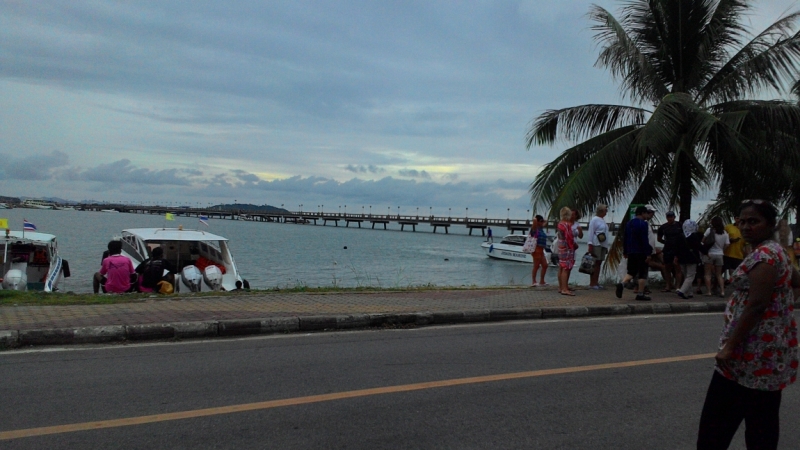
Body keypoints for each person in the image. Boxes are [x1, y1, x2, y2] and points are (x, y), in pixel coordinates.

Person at [697, 200, 799, 449]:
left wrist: (729, 347)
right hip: (769, 357)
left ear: (770, 224)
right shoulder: (776, 252)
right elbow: (796, 280)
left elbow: (756, 305)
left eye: (754, 221)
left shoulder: (765, 256)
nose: (745, 227)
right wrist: (783, 309)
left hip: (746, 357)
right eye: (742, 221)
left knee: (714, 430)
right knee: (761, 425)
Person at [616, 205, 652, 301]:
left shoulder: (629, 223)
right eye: (646, 213)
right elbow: (644, 240)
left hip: (631, 251)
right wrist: (648, 253)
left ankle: (622, 284)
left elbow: (625, 238)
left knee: (631, 272)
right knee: (642, 273)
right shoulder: (643, 224)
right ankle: (640, 294)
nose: (647, 215)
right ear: (642, 213)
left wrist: (625, 251)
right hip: (641, 251)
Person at [703, 216, 730, 297]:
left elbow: (703, 240)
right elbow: (727, 244)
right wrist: (722, 249)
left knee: (708, 274)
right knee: (719, 274)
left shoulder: (709, 230)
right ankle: (722, 291)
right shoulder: (725, 233)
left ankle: (709, 292)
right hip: (720, 254)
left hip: (709, 254)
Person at [675, 219, 702, 299]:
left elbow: (676, 247)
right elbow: (699, 247)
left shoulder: (680, 236)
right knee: (690, 276)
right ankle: (682, 291)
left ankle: (690, 292)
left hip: (682, 259)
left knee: (686, 275)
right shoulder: (694, 236)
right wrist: (707, 253)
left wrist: (676, 257)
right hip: (691, 258)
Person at [658, 210, 683, 292]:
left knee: (677, 268)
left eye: (671, 217)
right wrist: (666, 242)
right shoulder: (663, 227)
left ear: (674, 217)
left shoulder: (679, 225)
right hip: (667, 249)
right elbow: (659, 238)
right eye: (668, 217)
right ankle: (668, 285)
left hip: (678, 249)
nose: (670, 218)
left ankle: (677, 286)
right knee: (667, 268)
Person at [587, 204, 610, 289]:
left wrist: (606, 246)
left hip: (602, 244)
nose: (606, 212)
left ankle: (596, 282)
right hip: (596, 243)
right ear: (601, 211)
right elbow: (591, 232)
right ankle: (592, 283)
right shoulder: (594, 220)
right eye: (605, 210)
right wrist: (590, 244)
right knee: (595, 263)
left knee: (599, 263)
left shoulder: (602, 220)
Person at [556, 206, 577, 296]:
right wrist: (573, 246)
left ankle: (561, 287)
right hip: (567, 248)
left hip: (561, 247)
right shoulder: (566, 225)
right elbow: (569, 237)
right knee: (566, 268)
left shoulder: (560, 224)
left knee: (561, 267)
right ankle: (565, 288)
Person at [723, 217, 744, 282]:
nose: (738, 220)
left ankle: (734, 287)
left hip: (738, 255)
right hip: (727, 254)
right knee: (720, 271)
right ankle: (715, 287)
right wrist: (730, 240)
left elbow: (747, 244)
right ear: (734, 218)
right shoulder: (728, 227)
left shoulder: (744, 229)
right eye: (737, 218)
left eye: (740, 218)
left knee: (735, 273)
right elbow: (722, 237)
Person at [530, 215, 549, 287]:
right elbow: (534, 220)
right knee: (536, 266)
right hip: (536, 249)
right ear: (537, 222)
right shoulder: (534, 229)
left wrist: (543, 220)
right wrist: (536, 218)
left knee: (545, 265)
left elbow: (546, 221)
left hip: (542, 250)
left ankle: (542, 281)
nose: (542, 223)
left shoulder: (541, 228)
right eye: (540, 221)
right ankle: (534, 281)